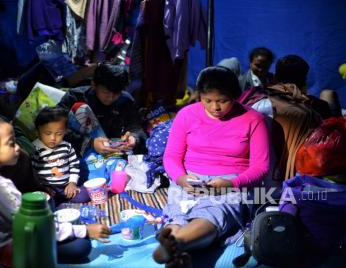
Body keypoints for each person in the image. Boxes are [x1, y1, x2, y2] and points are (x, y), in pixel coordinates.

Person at [0, 116, 111, 266]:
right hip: (9, 249)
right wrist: (84, 230)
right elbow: (35, 226)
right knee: (81, 246)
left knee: (48, 202)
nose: (18, 147)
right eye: (11, 143)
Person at [152, 66, 270, 266]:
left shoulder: (253, 120)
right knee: (178, 211)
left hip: (232, 181)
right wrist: (181, 178)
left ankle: (177, 243)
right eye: (208, 100)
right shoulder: (186, 114)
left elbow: (261, 166)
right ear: (200, 96)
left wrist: (231, 184)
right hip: (190, 179)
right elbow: (171, 156)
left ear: (235, 96)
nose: (215, 107)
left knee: (216, 213)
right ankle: (174, 244)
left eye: (223, 101)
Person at [58, 61, 146, 156]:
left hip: (110, 151)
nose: (111, 98)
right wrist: (89, 143)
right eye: (105, 92)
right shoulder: (75, 97)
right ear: (94, 85)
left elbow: (135, 127)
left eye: (116, 93)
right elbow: (53, 126)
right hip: (76, 149)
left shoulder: (126, 101)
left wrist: (134, 137)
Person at [32, 106, 89, 203]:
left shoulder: (66, 147)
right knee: (44, 202)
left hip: (66, 187)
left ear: (65, 131)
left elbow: (74, 165)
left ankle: (67, 199)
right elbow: (33, 173)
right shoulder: (35, 149)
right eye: (47, 133)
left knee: (84, 195)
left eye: (59, 134)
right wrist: (43, 187)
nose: (53, 138)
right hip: (49, 189)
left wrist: (72, 183)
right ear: (38, 131)